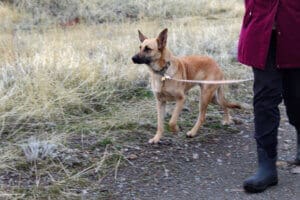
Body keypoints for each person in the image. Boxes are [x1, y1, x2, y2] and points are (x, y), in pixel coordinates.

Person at [238, 0, 300, 193]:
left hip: (296, 29)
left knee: (297, 98)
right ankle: (267, 165)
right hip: (262, 30)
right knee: (264, 99)